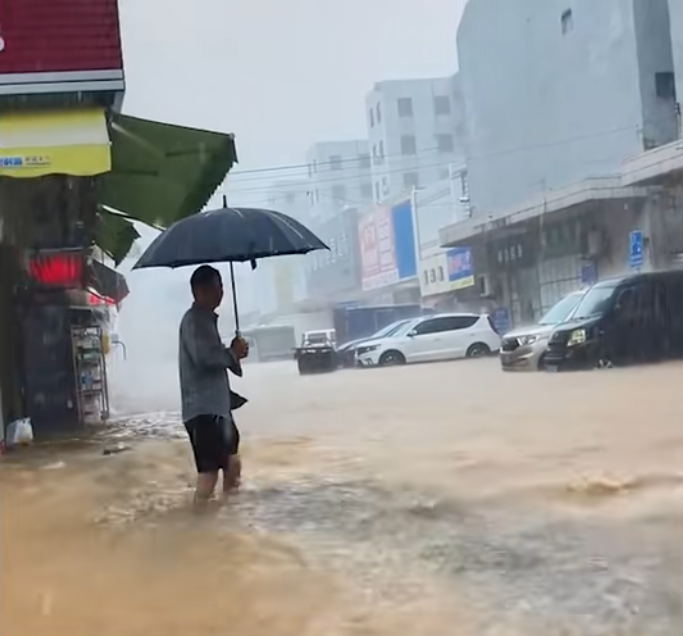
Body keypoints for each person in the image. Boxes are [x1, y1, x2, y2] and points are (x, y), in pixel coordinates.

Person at [178, 265, 249, 503]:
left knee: (232, 464)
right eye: (215, 287)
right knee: (209, 476)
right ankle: (197, 524)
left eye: (221, 287)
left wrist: (234, 354)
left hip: (218, 410)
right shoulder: (194, 322)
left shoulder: (206, 321)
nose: (220, 293)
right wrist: (231, 354)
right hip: (204, 412)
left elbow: (215, 360)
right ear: (198, 290)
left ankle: (226, 517)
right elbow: (203, 358)